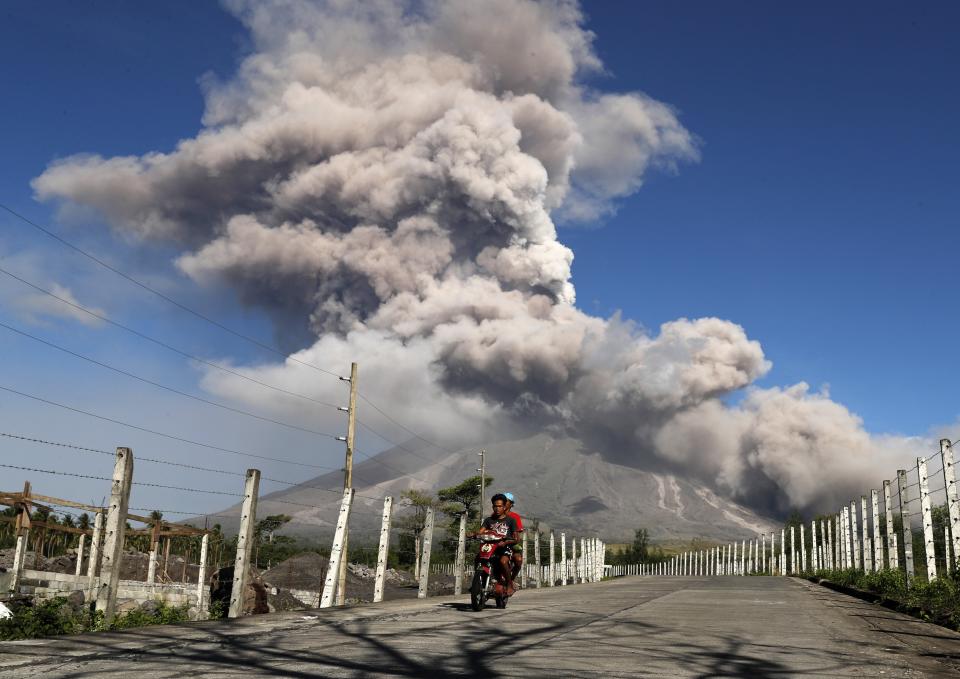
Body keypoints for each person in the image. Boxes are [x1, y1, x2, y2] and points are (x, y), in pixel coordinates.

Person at [472, 493, 519, 596]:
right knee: (477, 558)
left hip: (504, 547)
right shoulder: (488, 520)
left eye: (499, 506)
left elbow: (516, 539)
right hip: (489, 546)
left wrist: (506, 542)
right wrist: (474, 534)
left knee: (503, 561)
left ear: (504, 506)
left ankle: (509, 584)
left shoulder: (511, 521)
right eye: (495, 506)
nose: (497, 508)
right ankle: (477, 583)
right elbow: (481, 532)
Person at [503, 492, 524, 584]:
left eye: (506, 501)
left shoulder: (515, 517)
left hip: (511, 543)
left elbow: (517, 534)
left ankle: (511, 580)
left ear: (511, 504)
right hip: (496, 542)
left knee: (518, 560)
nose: (504, 503)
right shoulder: (494, 515)